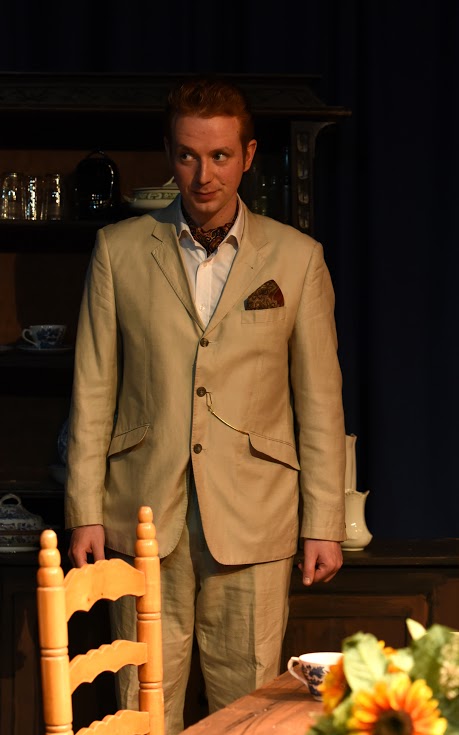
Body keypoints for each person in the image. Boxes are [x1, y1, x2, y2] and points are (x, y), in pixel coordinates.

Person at [65, 75, 346, 735]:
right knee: (143, 708)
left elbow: (320, 401)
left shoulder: (297, 258)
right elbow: (93, 388)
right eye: (189, 155)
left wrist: (324, 522)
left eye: (219, 156)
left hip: (255, 516)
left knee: (246, 712)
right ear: (170, 153)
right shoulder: (118, 251)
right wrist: (84, 509)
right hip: (141, 513)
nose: (204, 174)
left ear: (247, 155)